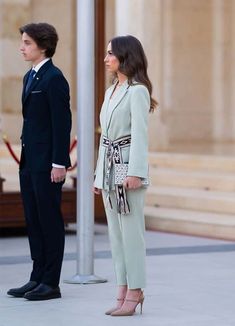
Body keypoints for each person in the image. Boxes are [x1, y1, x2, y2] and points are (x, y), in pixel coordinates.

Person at [93, 35, 157, 316]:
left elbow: (141, 137)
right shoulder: (111, 91)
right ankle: (122, 287)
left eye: (111, 54)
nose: (106, 59)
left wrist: (135, 173)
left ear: (125, 56)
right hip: (108, 167)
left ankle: (136, 290)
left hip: (126, 166)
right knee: (116, 236)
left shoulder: (138, 91)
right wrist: (98, 177)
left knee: (131, 235)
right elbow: (105, 138)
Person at [7, 23, 71, 301]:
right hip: (28, 162)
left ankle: (51, 282)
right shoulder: (29, 77)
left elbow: (61, 123)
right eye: (22, 42)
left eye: (27, 43)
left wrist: (59, 163)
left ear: (43, 46)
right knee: (33, 220)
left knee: (49, 220)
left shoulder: (54, 78)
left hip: (47, 164)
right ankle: (37, 276)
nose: (22, 47)